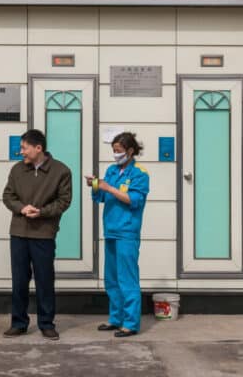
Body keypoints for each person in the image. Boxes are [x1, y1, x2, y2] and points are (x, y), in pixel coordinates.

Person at [1, 129, 73, 340]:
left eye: (24, 147)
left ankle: (46, 323)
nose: (21, 151)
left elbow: (64, 201)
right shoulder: (17, 170)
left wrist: (42, 212)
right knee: (19, 280)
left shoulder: (61, 171)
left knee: (44, 280)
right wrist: (22, 208)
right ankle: (19, 323)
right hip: (19, 232)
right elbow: (8, 196)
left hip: (44, 234)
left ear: (38, 148)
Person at [86, 132, 149, 337]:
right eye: (113, 151)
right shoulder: (112, 170)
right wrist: (96, 185)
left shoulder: (140, 173)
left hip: (127, 232)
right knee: (112, 278)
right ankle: (116, 318)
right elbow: (102, 197)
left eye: (119, 151)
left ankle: (130, 323)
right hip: (111, 230)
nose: (115, 155)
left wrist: (108, 187)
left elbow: (134, 200)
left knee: (127, 278)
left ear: (130, 151)